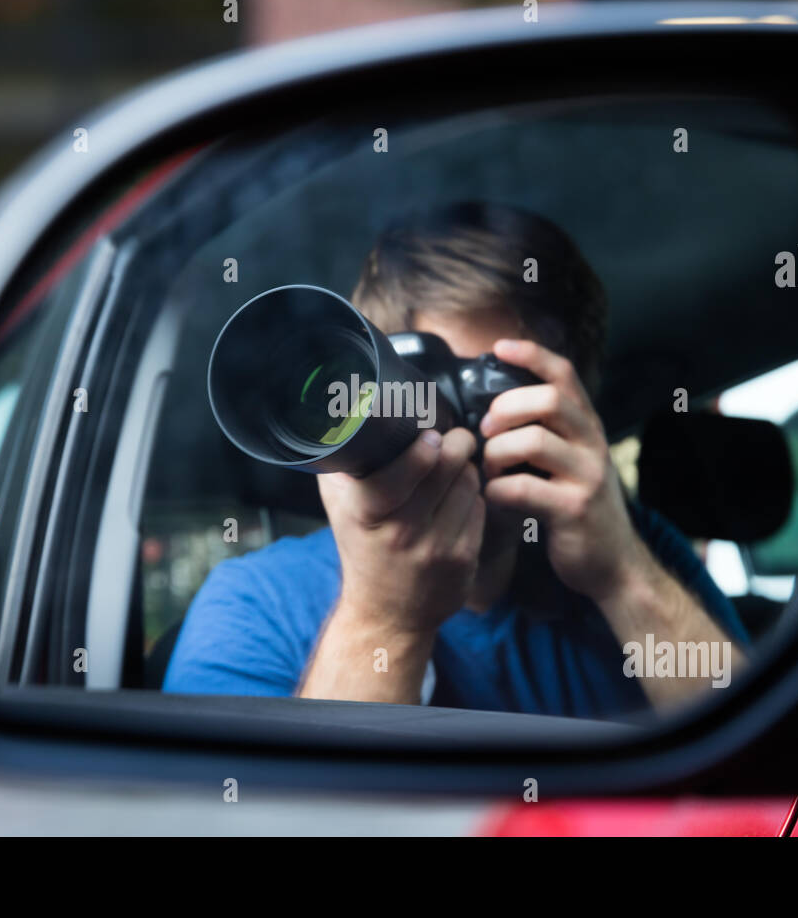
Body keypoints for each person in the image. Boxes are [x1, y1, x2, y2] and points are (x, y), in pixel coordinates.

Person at [168, 202, 748, 717]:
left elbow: (761, 773)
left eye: (488, 384)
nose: (439, 417)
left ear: (573, 409)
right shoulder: (253, 605)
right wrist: (383, 617)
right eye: (416, 378)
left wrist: (623, 574)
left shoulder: (636, 553)